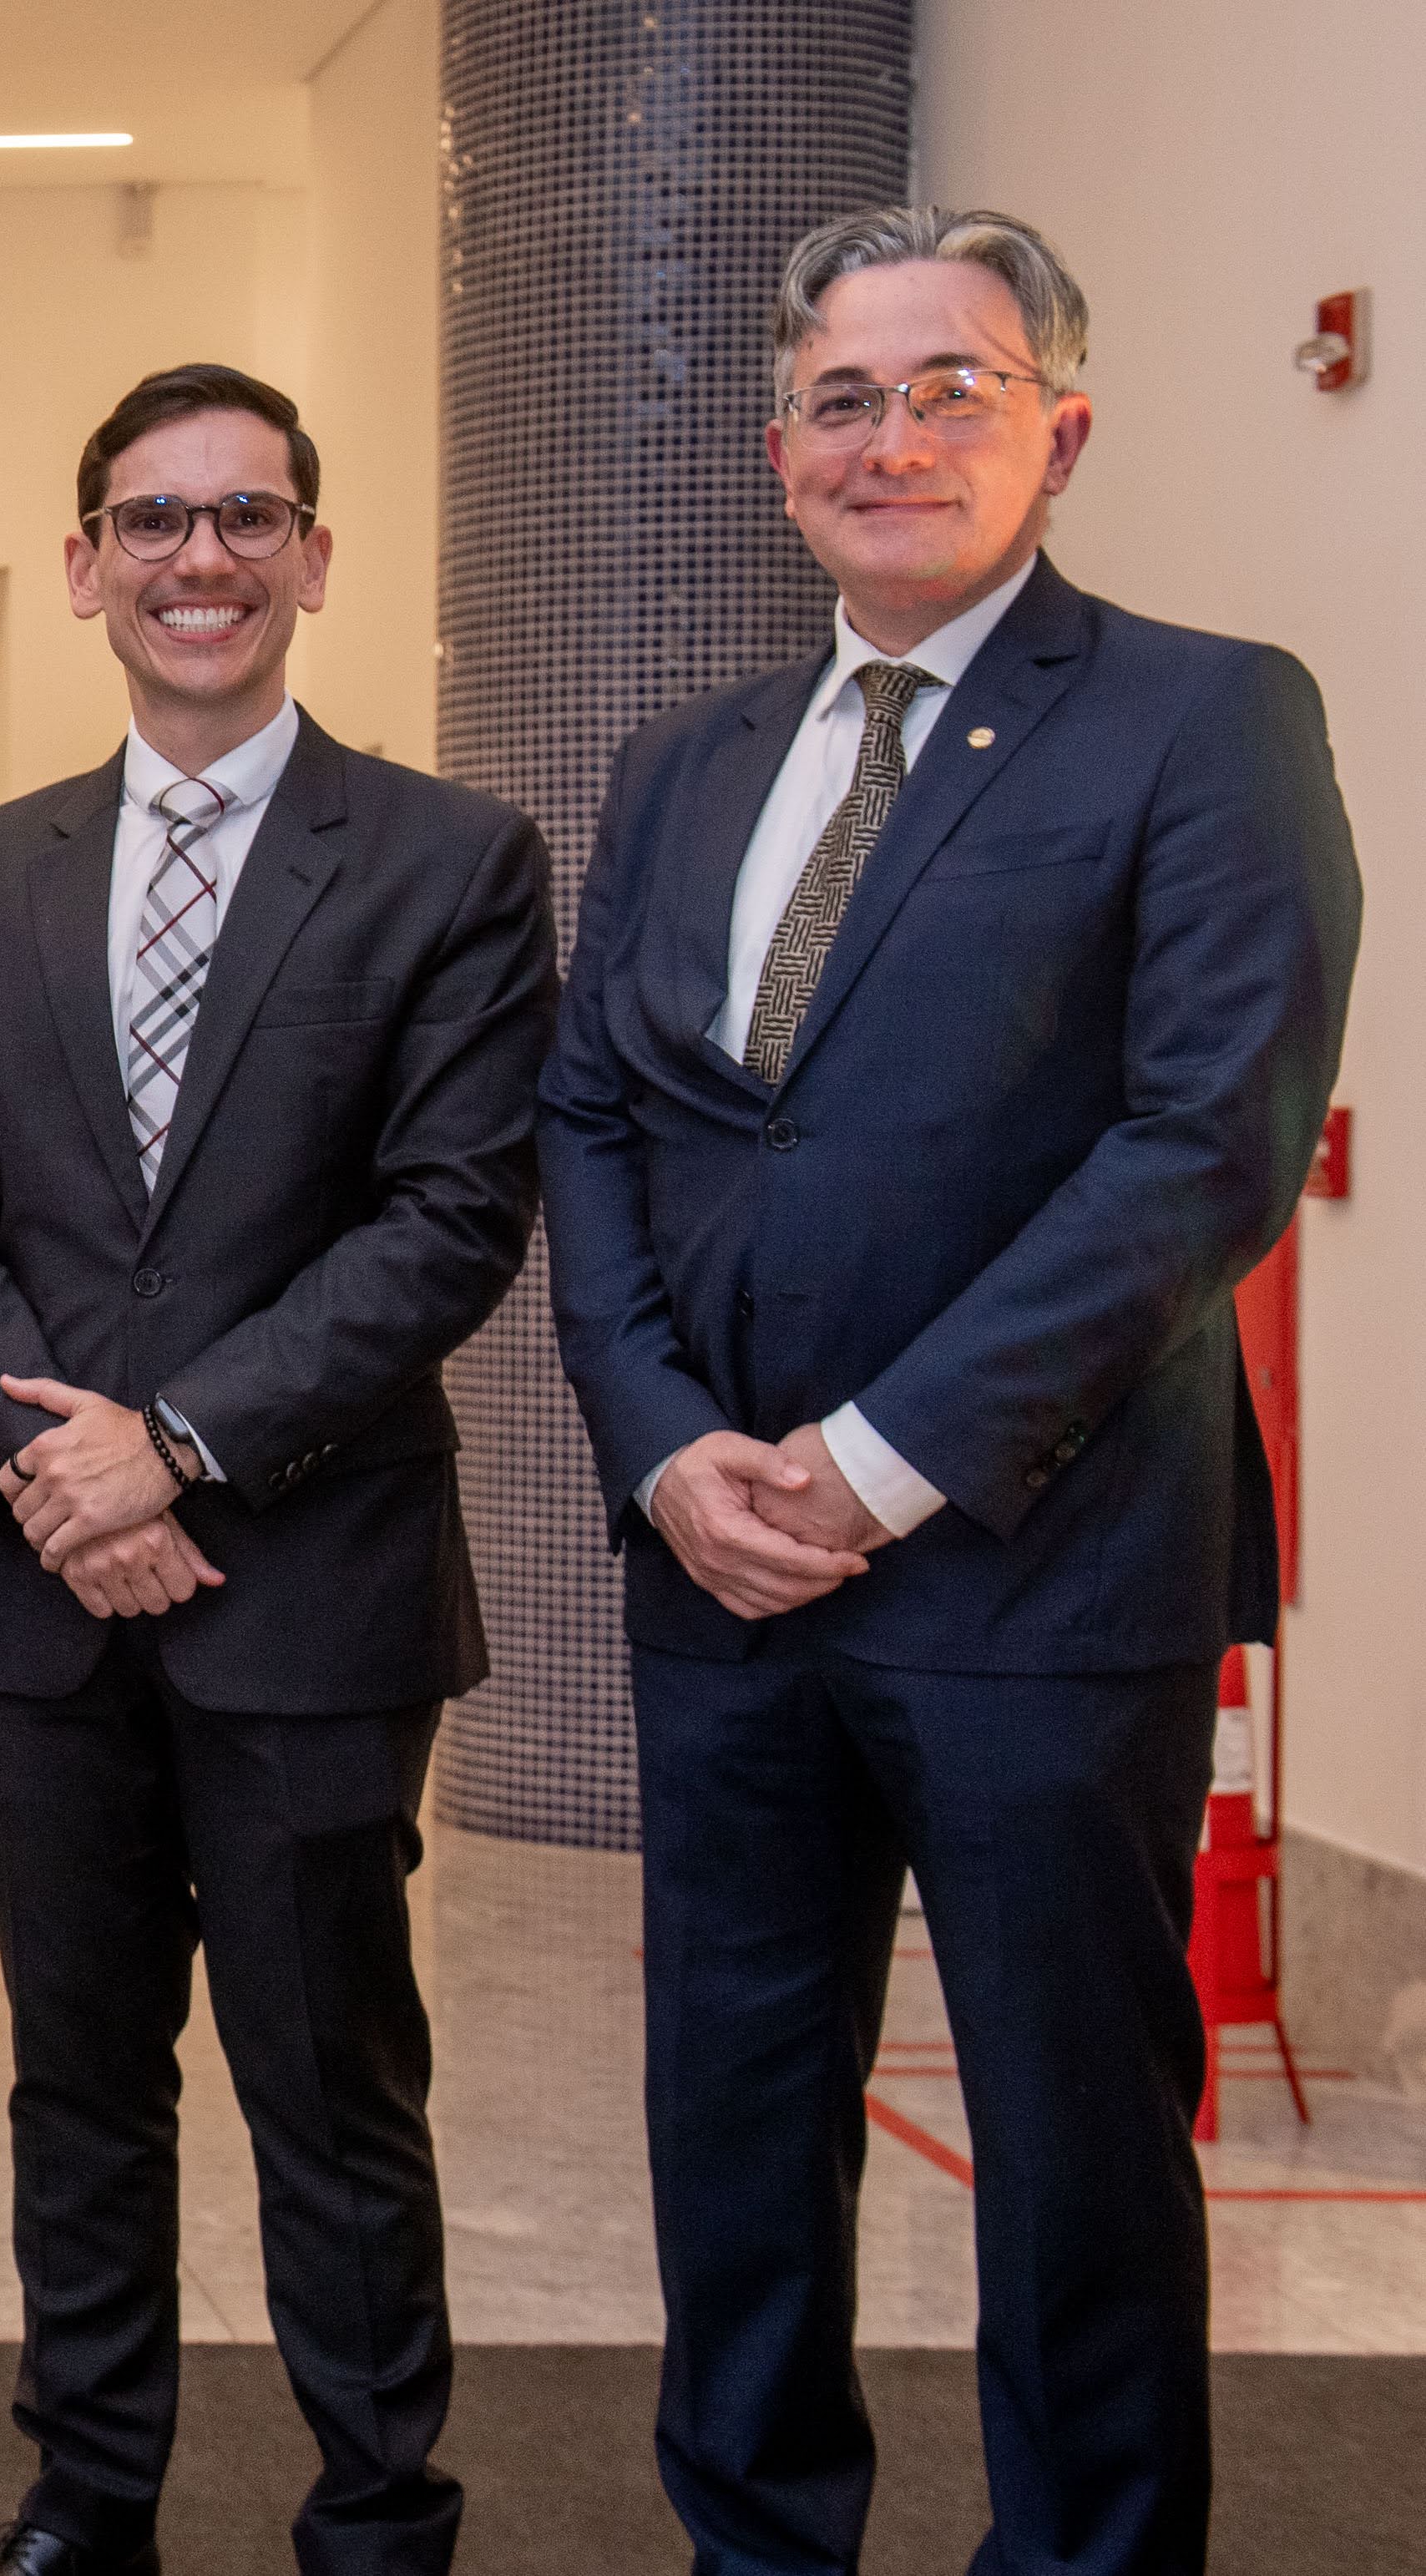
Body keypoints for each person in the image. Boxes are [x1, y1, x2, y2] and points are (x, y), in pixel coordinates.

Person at [540, 205, 1358, 2574]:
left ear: (1057, 428)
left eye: (948, 388)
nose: (884, 436)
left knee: (1075, 2141)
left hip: (1038, 1562)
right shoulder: (683, 763)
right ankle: (755, 2538)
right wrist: (662, 1438)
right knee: (733, 2119)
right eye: (837, 397)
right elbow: (594, 1116)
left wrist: (874, 1464)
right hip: (717, 1568)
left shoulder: (1205, 715)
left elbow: (1198, 1147)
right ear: (772, 448)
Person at [0, 363, 553, 2576]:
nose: (197, 560)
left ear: (309, 559)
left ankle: (376, 2505)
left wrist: (171, 1448)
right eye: (149, 521)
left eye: (244, 517)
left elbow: (447, 1216)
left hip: (313, 1584)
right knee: (73, 2080)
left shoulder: (447, 860)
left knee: (327, 2085)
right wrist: (62, 1472)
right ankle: (87, 2489)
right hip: (37, 1591)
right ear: (82, 569)